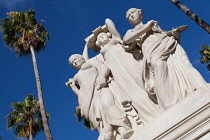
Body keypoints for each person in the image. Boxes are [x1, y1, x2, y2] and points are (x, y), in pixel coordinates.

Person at [123, 8, 210, 109]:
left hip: (170, 44)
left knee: (187, 66)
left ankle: (203, 87)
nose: (131, 16)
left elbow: (167, 36)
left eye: (132, 13)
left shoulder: (155, 26)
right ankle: (169, 103)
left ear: (139, 12)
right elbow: (127, 39)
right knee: (159, 67)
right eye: (128, 16)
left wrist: (175, 35)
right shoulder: (133, 31)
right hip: (154, 52)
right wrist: (147, 27)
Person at [87, 19, 164, 125]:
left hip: (130, 62)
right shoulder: (100, 56)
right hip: (118, 72)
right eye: (99, 37)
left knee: (145, 82)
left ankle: (162, 103)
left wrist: (100, 29)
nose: (101, 37)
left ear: (109, 35)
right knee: (132, 92)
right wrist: (86, 45)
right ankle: (150, 115)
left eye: (103, 35)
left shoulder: (116, 40)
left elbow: (109, 22)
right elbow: (85, 62)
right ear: (98, 43)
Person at [66, 54, 133, 140]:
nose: (74, 63)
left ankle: (123, 129)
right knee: (98, 120)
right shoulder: (76, 77)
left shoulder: (91, 63)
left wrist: (102, 76)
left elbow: (104, 67)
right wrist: (73, 86)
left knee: (108, 105)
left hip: (100, 88)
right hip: (87, 99)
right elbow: (80, 94)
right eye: (72, 63)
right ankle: (107, 134)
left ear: (82, 58)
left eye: (75, 59)